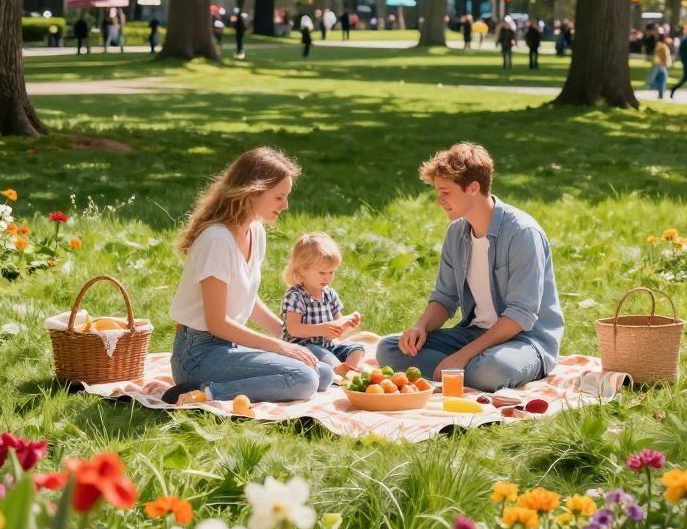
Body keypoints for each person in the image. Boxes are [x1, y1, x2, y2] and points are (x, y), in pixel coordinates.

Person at [377, 143, 564, 392]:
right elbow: (445, 298)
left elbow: (521, 315)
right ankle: (462, 373)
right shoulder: (456, 233)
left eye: (445, 192)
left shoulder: (522, 233)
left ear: (473, 188)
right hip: (474, 334)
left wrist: (462, 356)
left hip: (525, 341)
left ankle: (461, 372)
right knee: (389, 349)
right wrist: (420, 327)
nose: (438, 200)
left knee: (491, 370)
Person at [163, 148, 332, 405]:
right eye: (279, 197)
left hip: (228, 346)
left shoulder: (255, 232)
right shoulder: (217, 240)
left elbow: (246, 301)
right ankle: (204, 394)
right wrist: (280, 347)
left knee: (323, 372)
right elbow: (217, 323)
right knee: (304, 379)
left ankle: (222, 385)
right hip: (197, 355)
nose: (285, 205)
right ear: (253, 192)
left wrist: (288, 335)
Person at [280, 233, 366, 377]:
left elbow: (338, 324)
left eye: (331, 272)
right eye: (322, 272)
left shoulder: (329, 294)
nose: (327, 277)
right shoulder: (296, 296)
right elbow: (293, 329)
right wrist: (321, 329)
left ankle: (348, 370)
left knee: (357, 348)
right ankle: (340, 371)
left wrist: (346, 323)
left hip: (329, 347)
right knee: (319, 352)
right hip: (304, 349)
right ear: (302, 269)